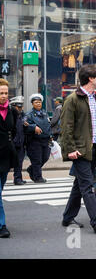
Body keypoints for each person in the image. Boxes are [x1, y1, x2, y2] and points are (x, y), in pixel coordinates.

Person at [60, 65, 96, 233]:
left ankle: (68, 217)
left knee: (79, 185)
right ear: (90, 78)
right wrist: (70, 149)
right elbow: (66, 127)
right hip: (80, 151)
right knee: (87, 185)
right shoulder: (73, 99)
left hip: (95, 150)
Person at [0, 79, 19, 238]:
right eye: (1, 93)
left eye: (6, 93)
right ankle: (2, 225)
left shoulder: (13, 111)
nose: (4, 96)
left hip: (6, 157)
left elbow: (13, 132)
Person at [24, 93, 52, 183]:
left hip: (45, 140)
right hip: (34, 141)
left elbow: (48, 125)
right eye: (36, 102)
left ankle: (31, 169)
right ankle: (38, 177)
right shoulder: (29, 114)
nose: (38, 104)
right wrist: (33, 127)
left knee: (45, 157)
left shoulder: (44, 113)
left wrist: (50, 136)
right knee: (37, 160)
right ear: (32, 104)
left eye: (39, 102)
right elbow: (23, 125)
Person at [10, 96, 27, 185]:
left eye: (21, 106)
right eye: (18, 106)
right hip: (11, 143)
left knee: (19, 162)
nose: (20, 108)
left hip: (20, 143)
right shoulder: (10, 115)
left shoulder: (23, 116)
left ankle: (18, 178)